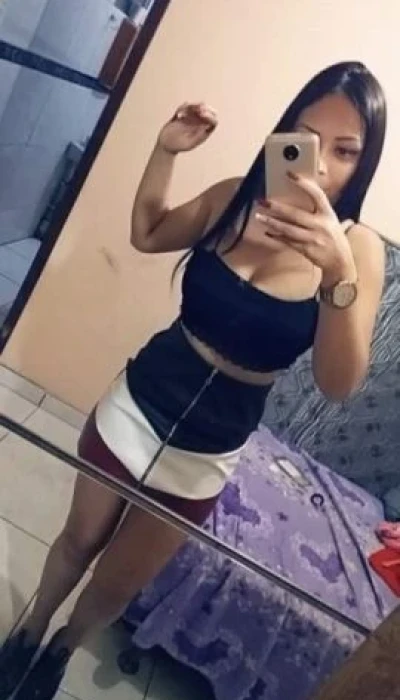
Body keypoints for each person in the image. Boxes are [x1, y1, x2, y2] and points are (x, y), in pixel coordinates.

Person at [0, 61, 386, 699]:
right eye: (308, 139)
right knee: (78, 540)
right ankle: (30, 630)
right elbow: (147, 232)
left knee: (117, 583)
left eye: (345, 151)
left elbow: (338, 384)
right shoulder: (235, 196)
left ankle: (60, 653)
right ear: (284, 135)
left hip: (208, 450)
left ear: (364, 164)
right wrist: (165, 150)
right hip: (137, 401)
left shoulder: (357, 250)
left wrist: (336, 275)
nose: (319, 167)